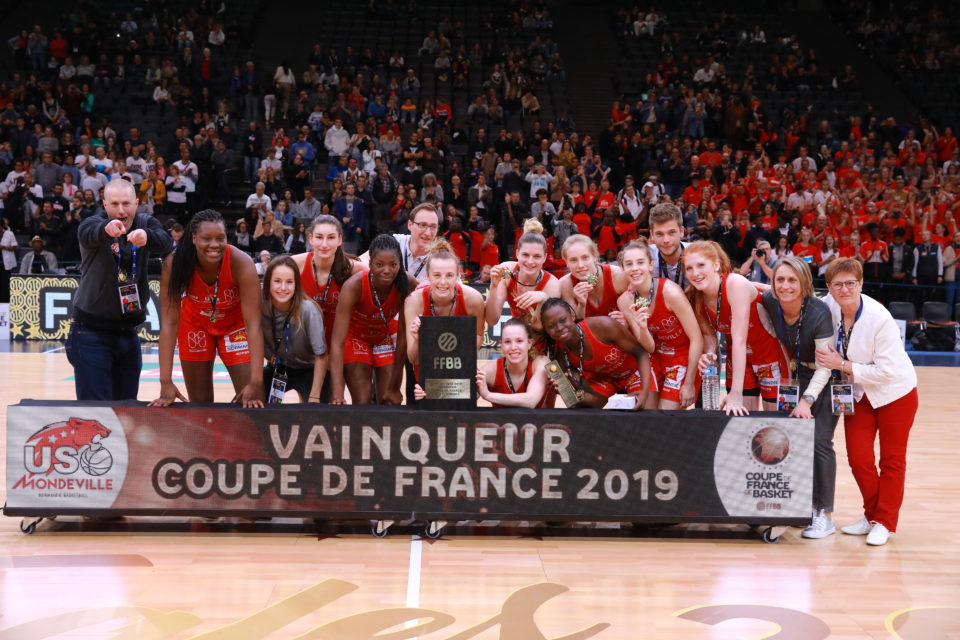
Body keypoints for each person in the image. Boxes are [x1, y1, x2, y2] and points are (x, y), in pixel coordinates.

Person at [815, 258, 919, 546]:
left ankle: (884, 521)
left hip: (894, 393)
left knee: (891, 461)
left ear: (861, 284)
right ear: (830, 287)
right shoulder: (828, 306)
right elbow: (799, 297)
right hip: (859, 394)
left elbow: (887, 371)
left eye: (851, 283)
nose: (844, 289)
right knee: (859, 459)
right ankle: (873, 515)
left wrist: (843, 364)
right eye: (838, 284)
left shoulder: (880, 318)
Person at [66, 179, 171, 400]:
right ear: (104, 205)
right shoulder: (93, 222)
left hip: (129, 334)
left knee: (127, 411)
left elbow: (166, 242)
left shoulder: (145, 222)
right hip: (90, 333)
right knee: (96, 412)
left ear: (136, 202)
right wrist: (106, 230)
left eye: (126, 203)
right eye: (114, 204)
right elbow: (87, 233)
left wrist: (147, 237)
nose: (121, 210)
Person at [150, 209, 264, 408]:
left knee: (253, 400)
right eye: (206, 238)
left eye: (220, 238)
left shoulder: (242, 263)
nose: (214, 244)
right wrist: (165, 381)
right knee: (200, 405)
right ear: (194, 238)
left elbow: (254, 325)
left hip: (234, 326)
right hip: (195, 326)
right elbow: (169, 324)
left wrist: (256, 381)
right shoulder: (174, 263)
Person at [762, 257, 839, 539]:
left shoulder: (819, 312)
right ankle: (801, 507)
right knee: (793, 442)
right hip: (795, 377)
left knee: (820, 441)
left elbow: (826, 365)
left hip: (826, 377)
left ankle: (824, 515)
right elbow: (751, 288)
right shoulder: (770, 300)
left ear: (805, 283)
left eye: (792, 280)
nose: (785, 286)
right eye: (780, 280)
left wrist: (806, 400)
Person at [685, 240, 789, 415]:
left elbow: (740, 339)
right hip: (738, 359)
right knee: (741, 422)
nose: (695, 273)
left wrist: (736, 393)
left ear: (716, 265)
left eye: (701, 265)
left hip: (768, 353)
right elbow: (710, 336)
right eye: (689, 268)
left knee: (776, 421)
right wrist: (709, 353)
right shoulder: (695, 296)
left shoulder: (735, 283)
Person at [329, 234, 417, 405]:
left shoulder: (407, 283)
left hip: (384, 336)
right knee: (362, 403)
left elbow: (401, 340)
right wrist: (337, 392)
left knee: (390, 402)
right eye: (379, 264)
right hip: (356, 338)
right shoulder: (353, 286)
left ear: (400, 263)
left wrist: (395, 387)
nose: (386, 270)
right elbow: (337, 343)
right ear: (369, 264)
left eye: (393, 265)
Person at [617, 240, 703, 409]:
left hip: (681, 357)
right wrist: (642, 327)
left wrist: (689, 383)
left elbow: (697, 338)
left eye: (640, 262)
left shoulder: (670, 292)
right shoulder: (625, 300)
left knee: (665, 415)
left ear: (650, 265)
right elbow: (649, 348)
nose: (634, 268)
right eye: (629, 264)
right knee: (646, 413)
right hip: (654, 357)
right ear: (623, 269)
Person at [540, 297, 649, 409]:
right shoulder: (559, 354)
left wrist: (644, 393)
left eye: (563, 320)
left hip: (635, 372)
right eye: (551, 326)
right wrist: (563, 391)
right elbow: (585, 403)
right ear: (546, 330)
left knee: (646, 412)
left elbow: (642, 354)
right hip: (607, 380)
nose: (559, 328)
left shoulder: (603, 326)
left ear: (572, 315)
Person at [404, 238, 485, 379]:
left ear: (458, 276)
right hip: (427, 376)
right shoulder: (414, 301)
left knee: (477, 386)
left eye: (449, 276)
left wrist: (452, 350)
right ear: (427, 276)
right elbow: (413, 359)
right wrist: (417, 339)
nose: (443, 282)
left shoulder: (473, 299)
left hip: (459, 370)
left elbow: (478, 337)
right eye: (436, 275)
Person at [260, 255, 327, 403]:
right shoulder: (259, 304)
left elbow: (321, 356)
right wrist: (253, 385)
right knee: (252, 402)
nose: (283, 288)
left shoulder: (308, 310)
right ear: (268, 282)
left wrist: (314, 397)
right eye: (277, 281)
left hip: (309, 369)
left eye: (289, 282)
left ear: (297, 284)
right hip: (279, 367)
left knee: (317, 415)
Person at [486, 219, 561, 350]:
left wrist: (543, 299)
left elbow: (538, 327)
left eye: (537, 256)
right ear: (517, 254)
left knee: (552, 371)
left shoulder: (551, 284)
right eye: (525, 255)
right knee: (491, 370)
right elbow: (492, 320)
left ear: (544, 258)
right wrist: (493, 287)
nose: (530, 261)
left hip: (548, 348)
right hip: (519, 347)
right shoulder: (507, 272)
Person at [473, 318, 551, 408]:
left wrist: (488, 395)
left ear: (529, 343)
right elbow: (465, 400)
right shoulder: (490, 370)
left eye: (519, 341)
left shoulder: (541, 362)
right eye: (507, 342)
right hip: (499, 421)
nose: (513, 347)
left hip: (534, 422)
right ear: (501, 345)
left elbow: (531, 400)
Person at [360, 202, 440, 283]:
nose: (428, 233)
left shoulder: (441, 257)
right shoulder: (395, 241)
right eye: (422, 225)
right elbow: (362, 260)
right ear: (410, 225)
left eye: (433, 227)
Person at [558, 234, 629, 320]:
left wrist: (627, 322)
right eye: (573, 260)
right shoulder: (565, 285)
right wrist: (581, 305)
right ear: (566, 262)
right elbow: (574, 326)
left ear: (595, 256)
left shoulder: (618, 276)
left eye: (585, 258)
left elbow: (639, 314)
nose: (580, 265)